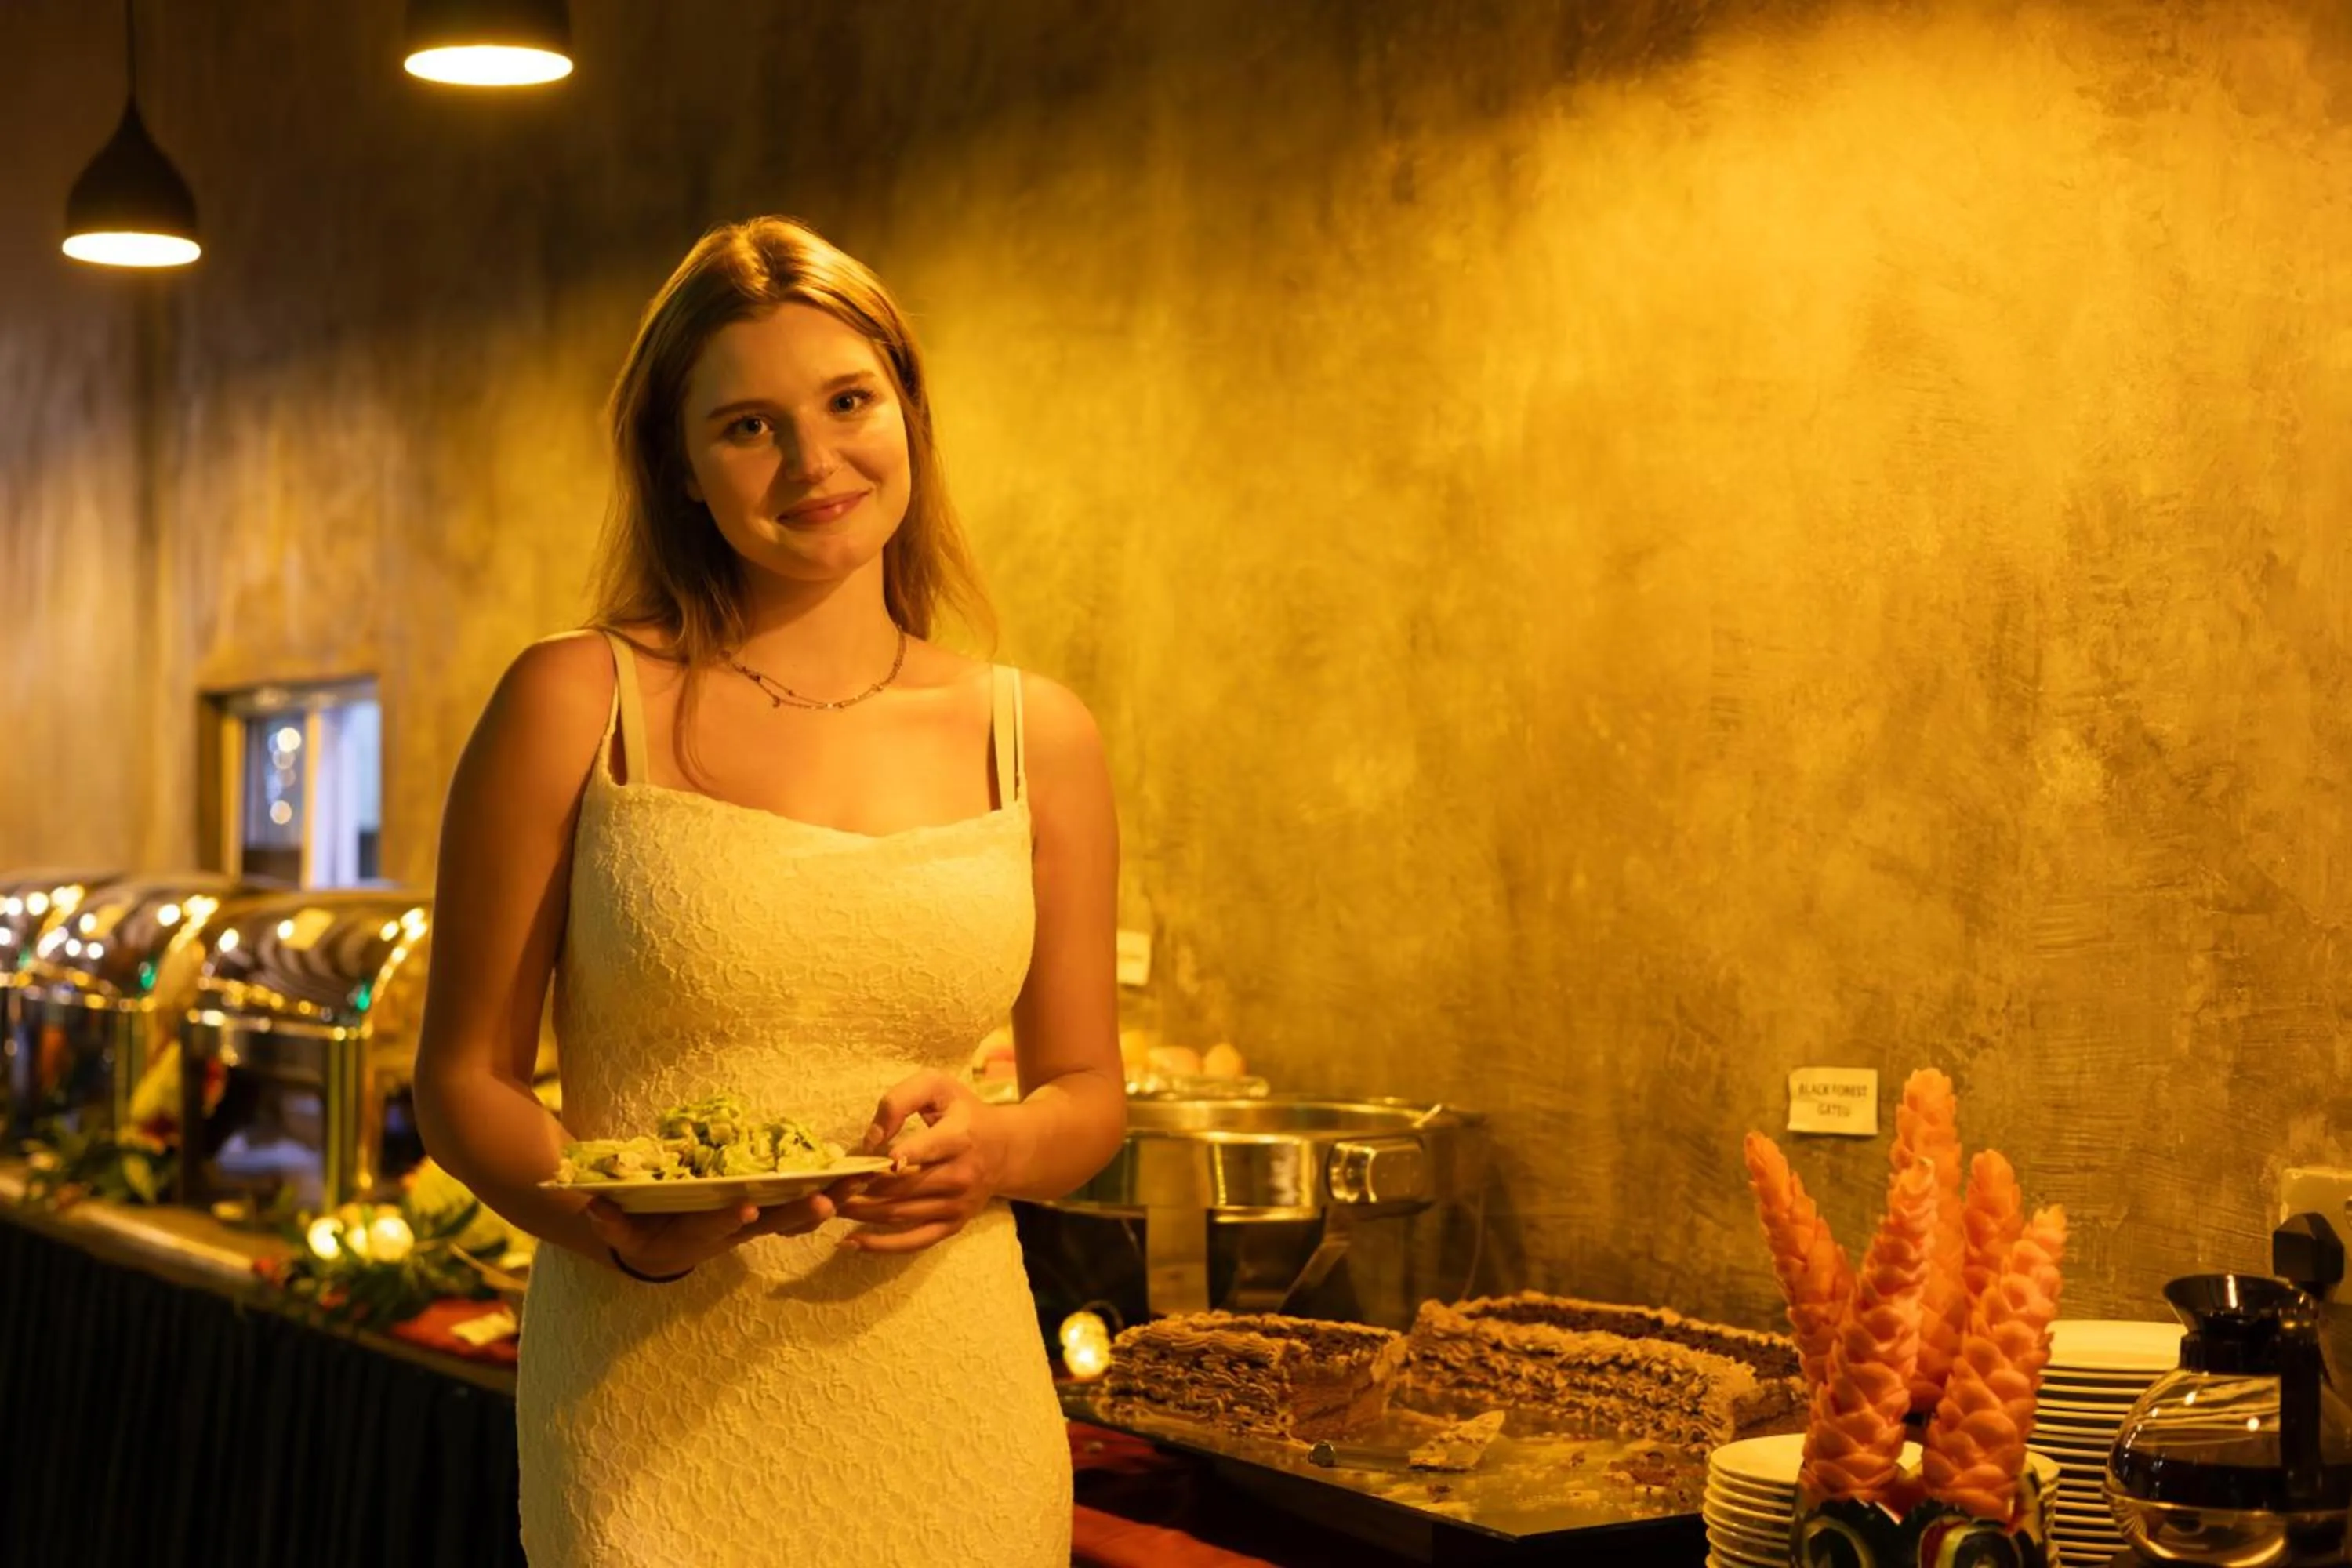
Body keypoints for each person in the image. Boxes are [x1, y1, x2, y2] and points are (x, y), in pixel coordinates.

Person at [412, 215, 1125, 1566]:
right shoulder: (575, 700)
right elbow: (463, 1082)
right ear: (678, 469)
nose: (814, 462)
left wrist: (998, 1151)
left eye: (849, 401)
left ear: (908, 412)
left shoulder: (1040, 734)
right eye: (748, 426)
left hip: (953, 1399)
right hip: (648, 1401)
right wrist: (618, 1234)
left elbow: (1088, 1090)